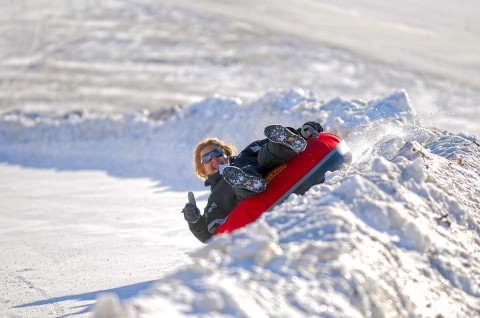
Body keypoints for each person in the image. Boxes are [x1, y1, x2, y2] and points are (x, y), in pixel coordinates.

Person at [182, 122, 324, 243]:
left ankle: (286, 144)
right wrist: (194, 221)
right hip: (244, 189)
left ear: (226, 153)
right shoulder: (216, 200)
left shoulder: (245, 154)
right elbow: (210, 235)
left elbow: (266, 144)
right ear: (203, 169)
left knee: (265, 155)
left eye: (218, 153)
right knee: (237, 181)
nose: (214, 159)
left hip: (267, 167)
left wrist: (303, 131)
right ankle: (247, 182)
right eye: (207, 158)